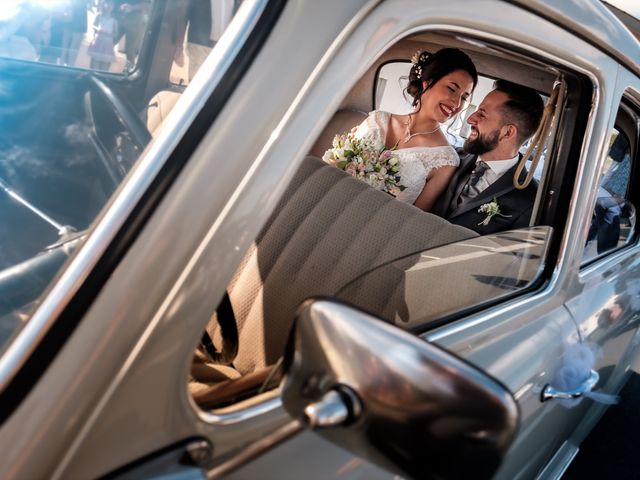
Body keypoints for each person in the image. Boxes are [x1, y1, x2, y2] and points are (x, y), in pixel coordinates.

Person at [341, 48, 478, 212]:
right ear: (427, 81)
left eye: (464, 98)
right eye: (452, 88)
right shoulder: (377, 120)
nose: (456, 103)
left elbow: (412, 219)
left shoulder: (446, 160)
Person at [431, 80, 544, 234]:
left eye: (482, 114)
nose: (470, 119)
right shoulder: (449, 158)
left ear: (507, 133)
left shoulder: (530, 201)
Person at [87, 0, 117, 71]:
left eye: (111, 4)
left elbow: (115, 33)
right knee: (95, 64)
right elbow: (93, 25)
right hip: (98, 41)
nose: (109, 6)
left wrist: (110, 34)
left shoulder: (114, 20)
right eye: (107, 3)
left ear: (113, 7)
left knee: (104, 66)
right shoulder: (99, 15)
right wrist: (98, 29)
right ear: (104, 4)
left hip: (108, 43)